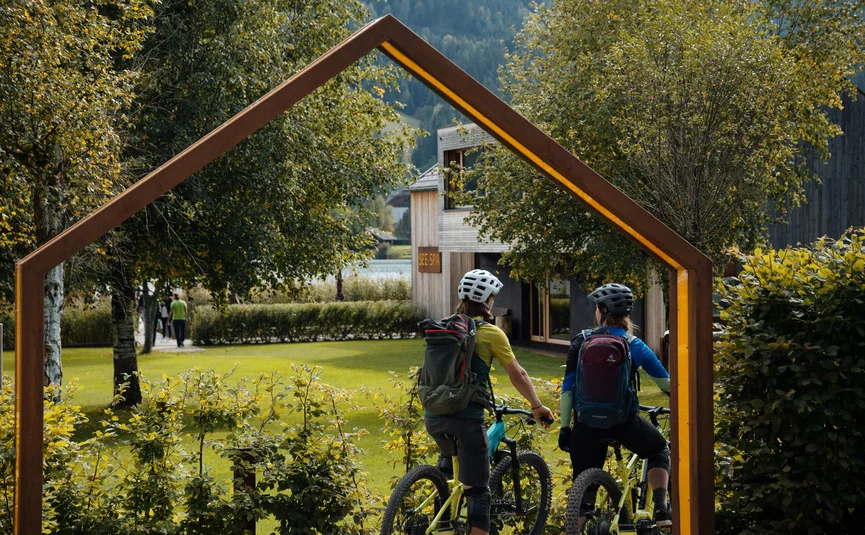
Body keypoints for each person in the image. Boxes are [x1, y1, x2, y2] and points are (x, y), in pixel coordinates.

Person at [425, 269, 555, 535]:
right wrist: (536, 405)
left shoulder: (444, 325)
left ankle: (442, 522)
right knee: (478, 491)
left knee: (449, 472)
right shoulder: (490, 333)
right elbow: (517, 374)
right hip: (466, 417)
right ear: (488, 301)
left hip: (434, 414)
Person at [559, 283, 673, 529]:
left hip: (585, 425)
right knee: (658, 449)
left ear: (601, 309)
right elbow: (666, 384)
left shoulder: (581, 341)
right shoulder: (635, 344)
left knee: (583, 491)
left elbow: (567, 389)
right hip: (624, 423)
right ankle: (662, 509)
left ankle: (576, 525)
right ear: (627, 314)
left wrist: (565, 428)